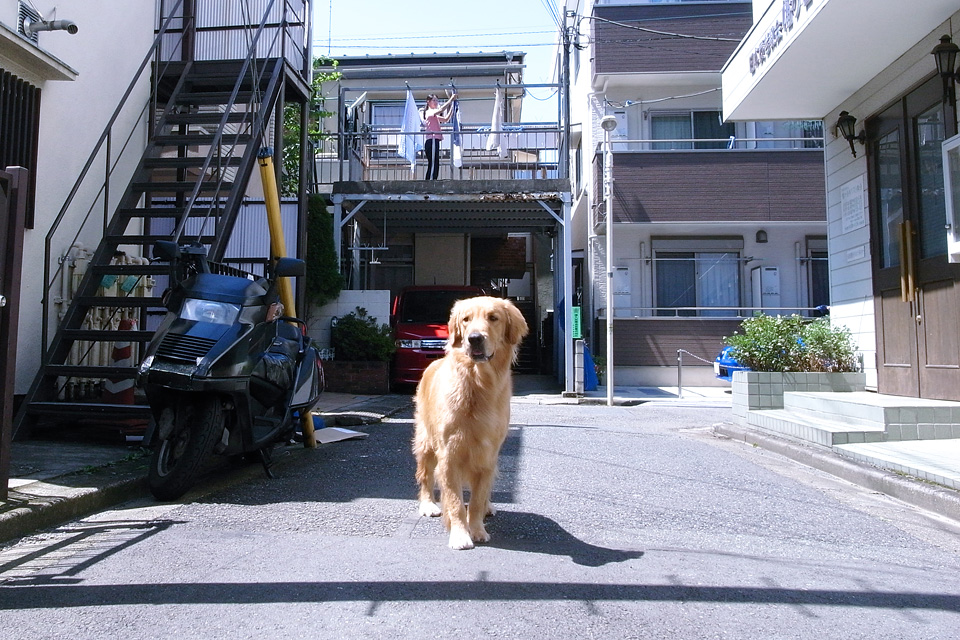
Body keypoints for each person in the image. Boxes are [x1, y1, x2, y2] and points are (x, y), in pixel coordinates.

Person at [421, 93, 456, 180]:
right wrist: (451, 99)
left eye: (437, 100)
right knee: (433, 162)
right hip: (431, 140)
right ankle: (430, 181)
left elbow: (446, 119)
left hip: (435, 140)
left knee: (435, 162)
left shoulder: (434, 115)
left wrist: (452, 107)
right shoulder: (429, 112)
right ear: (428, 102)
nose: (436, 102)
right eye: (434, 100)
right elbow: (441, 110)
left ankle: (433, 180)